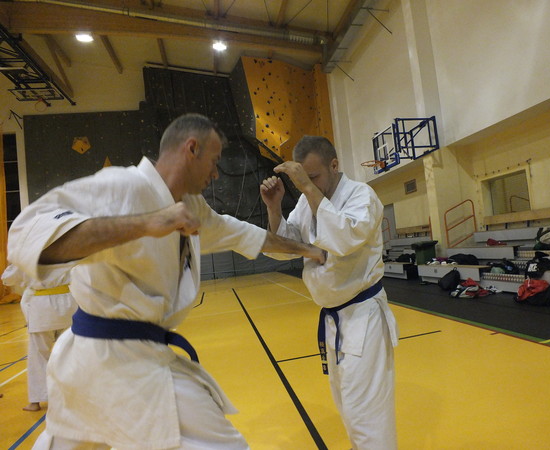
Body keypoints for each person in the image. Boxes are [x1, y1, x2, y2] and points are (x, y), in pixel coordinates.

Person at [7, 113, 325, 449]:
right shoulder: (123, 186)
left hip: (106, 365)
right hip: (111, 359)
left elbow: (247, 235)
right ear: (191, 149)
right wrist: (146, 223)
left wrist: (308, 250)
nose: (217, 173)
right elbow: (26, 234)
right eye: (214, 161)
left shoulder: (191, 208)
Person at [260, 135, 399, 449]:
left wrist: (306, 188)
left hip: (363, 317)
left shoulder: (361, 196)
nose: (307, 185)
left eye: (313, 177)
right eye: (302, 179)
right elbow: (285, 247)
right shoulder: (307, 201)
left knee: (366, 415)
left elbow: (344, 239)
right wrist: (274, 208)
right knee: (348, 408)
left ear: (334, 165)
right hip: (334, 320)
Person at [1, 264, 77, 412]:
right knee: (69, 353)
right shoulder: (66, 252)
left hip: (43, 306)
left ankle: (36, 401)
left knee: (39, 354)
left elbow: (8, 278)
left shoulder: (30, 255)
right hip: (68, 303)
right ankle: (73, 394)